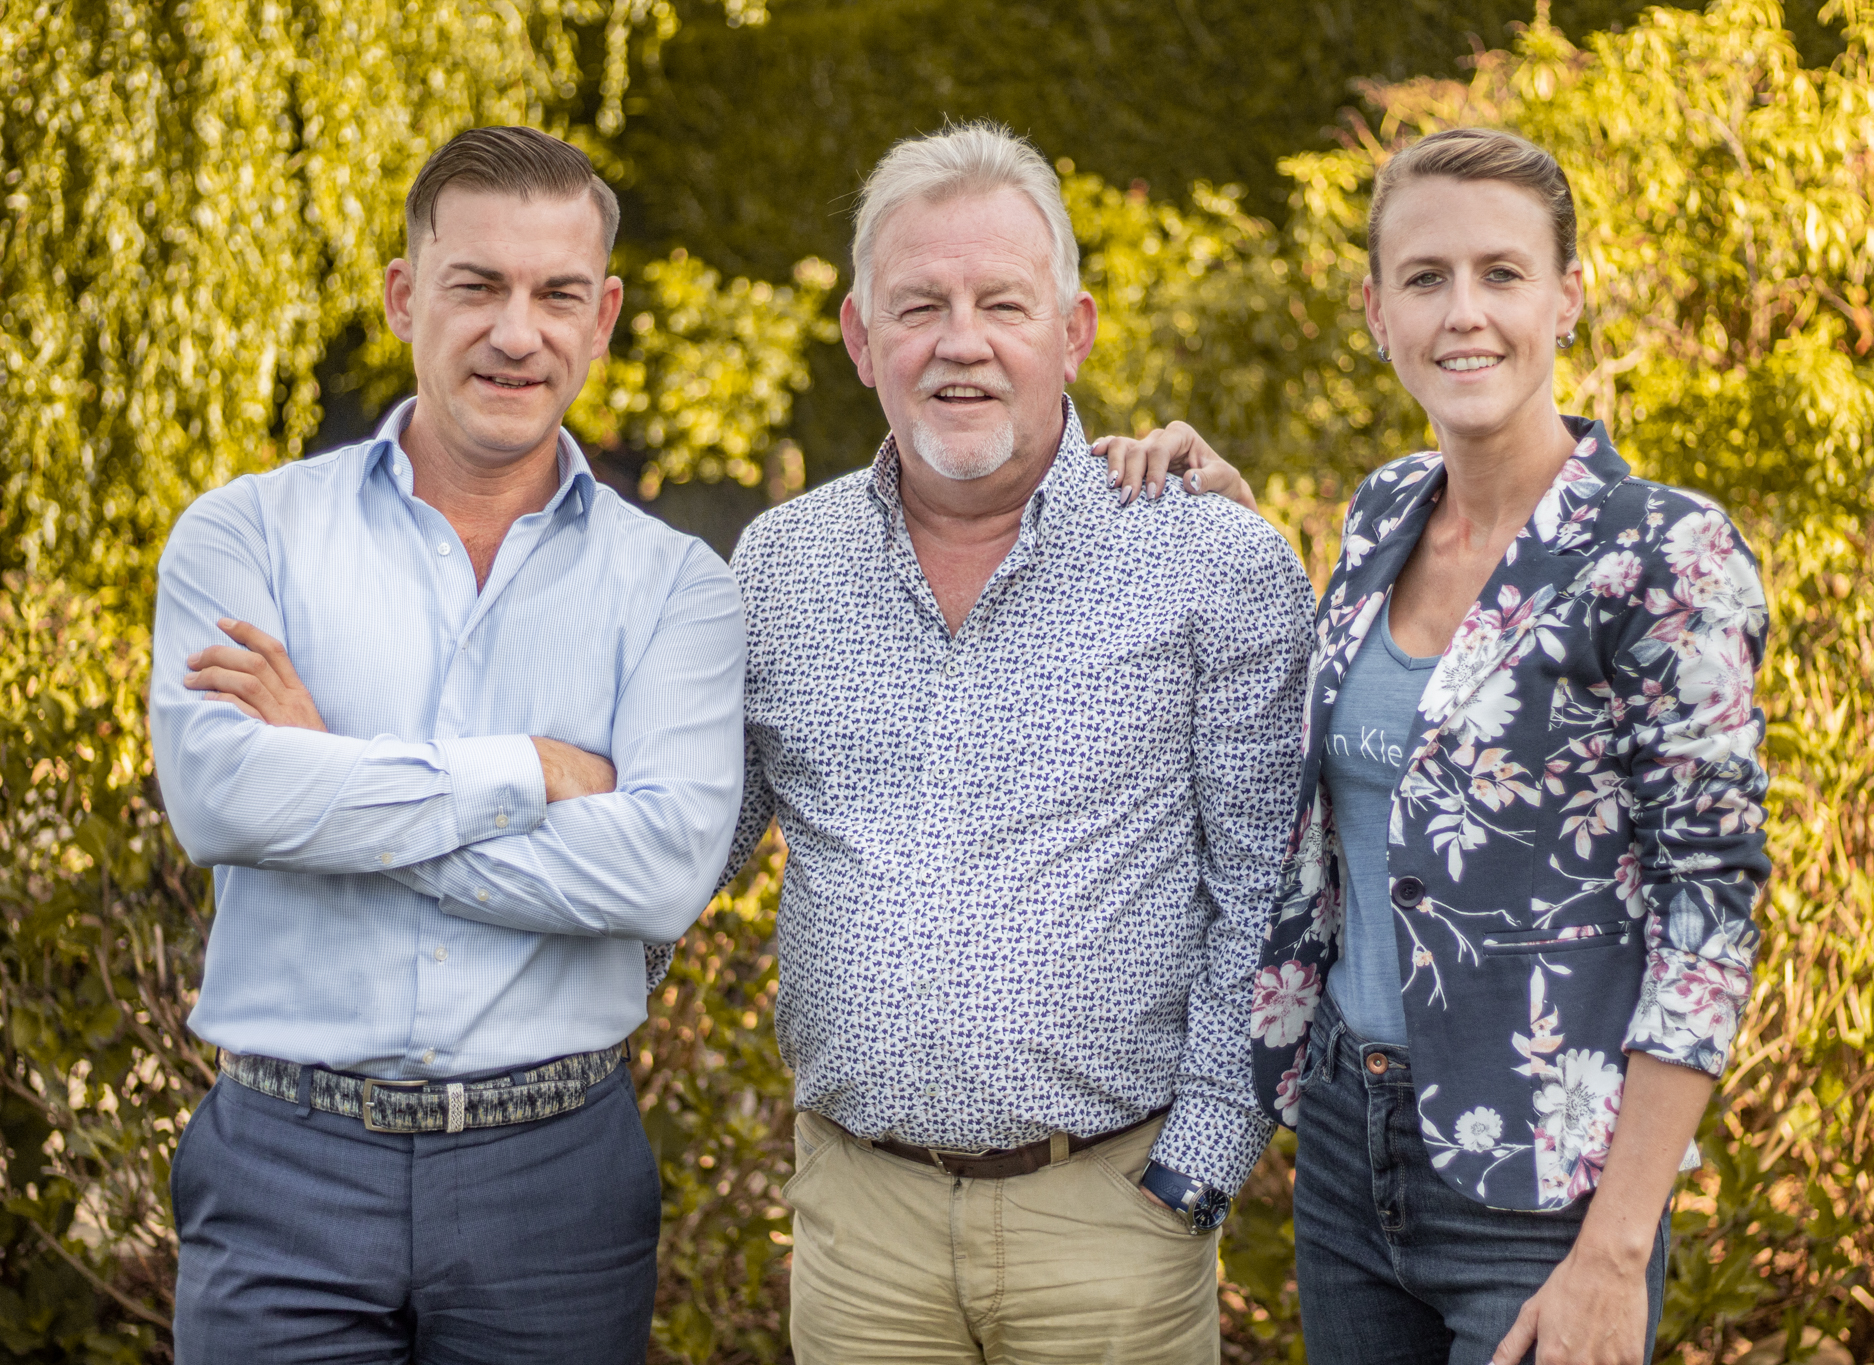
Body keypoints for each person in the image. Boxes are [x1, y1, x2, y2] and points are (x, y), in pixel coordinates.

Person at [1098, 127, 1770, 1365]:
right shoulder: (1380, 512)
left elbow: (1708, 919)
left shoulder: (1663, 554)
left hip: (1545, 1193)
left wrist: (1614, 1252)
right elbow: (1363, 748)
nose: (1463, 312)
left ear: (1566, 296)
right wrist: (1226, 525)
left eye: (1500, 273)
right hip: (1346, 1150)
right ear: (1375, 311)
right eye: (1424, 278)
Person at [703, 120, 1311, 1363]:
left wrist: (1196, 1169)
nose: (961, 341)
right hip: (859, 1234)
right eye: (919, 306)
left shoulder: (1207, 559)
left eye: (1002, 304)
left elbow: (1269, 887)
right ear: (859, 338)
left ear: (1072, 331)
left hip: (1111, 1223)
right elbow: (688, 846)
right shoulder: (777, 567)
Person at [151, 126, 745, 1363]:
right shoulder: (244, 537)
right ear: (402, 295)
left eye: (556, 294)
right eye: (477, 285)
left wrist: (329, 776)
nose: (516, 334)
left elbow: (659, 876)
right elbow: (222, 801)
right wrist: (530, 772)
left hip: (553, 1179)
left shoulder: (676, 587)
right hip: (282, 1166)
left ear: (602, 316)